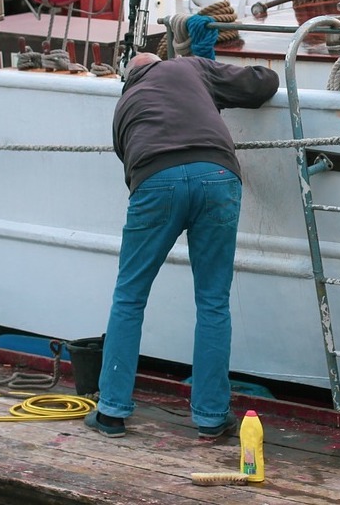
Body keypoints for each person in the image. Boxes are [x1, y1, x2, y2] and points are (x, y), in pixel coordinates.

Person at [84, 52, 280, 439]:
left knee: (129, 297)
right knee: (212, 300)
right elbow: (262, 84)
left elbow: (130, 160)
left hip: (154, 180)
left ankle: (111, 412)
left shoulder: (124, 104)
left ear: (130, 78)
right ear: (157, 62)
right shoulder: (188, 65)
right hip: (217, 175)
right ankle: (209, 417)